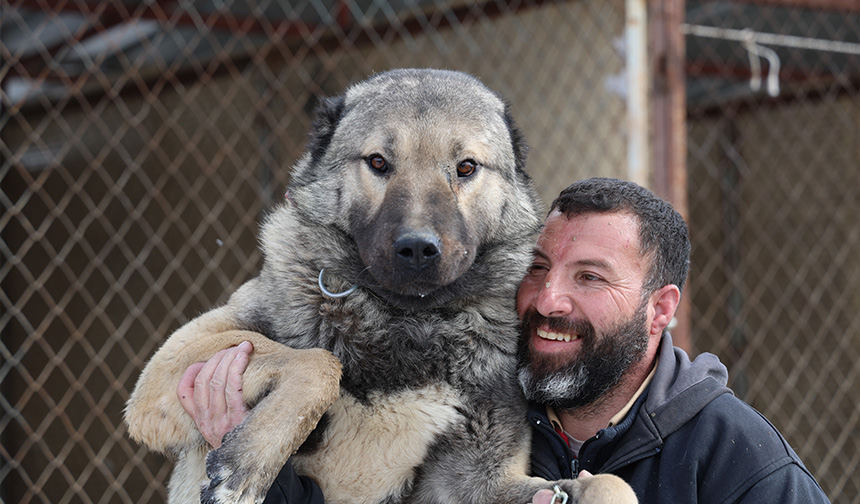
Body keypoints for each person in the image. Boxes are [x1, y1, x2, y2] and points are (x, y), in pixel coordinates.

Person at [178, 177, 829, 503]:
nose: (548, 299)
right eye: (539, 269)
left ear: (660, 310)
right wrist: (248, 460)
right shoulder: (459, 408)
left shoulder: (736, 461)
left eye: (590, 277)